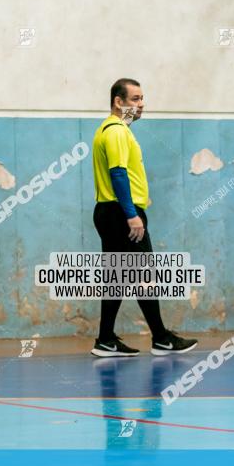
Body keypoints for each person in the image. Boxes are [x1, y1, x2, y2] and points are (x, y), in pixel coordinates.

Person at [90, 78, 197, 357]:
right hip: (122, 213)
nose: (141, 104)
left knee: (119, 276)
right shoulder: (115, 131)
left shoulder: (112, 130)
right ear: (118, 101)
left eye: (142, 99)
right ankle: (161, 338)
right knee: (143, 276)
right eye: (135, 99)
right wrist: (131, 215)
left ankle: (105, 339)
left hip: (112, 212)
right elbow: (118, 173)